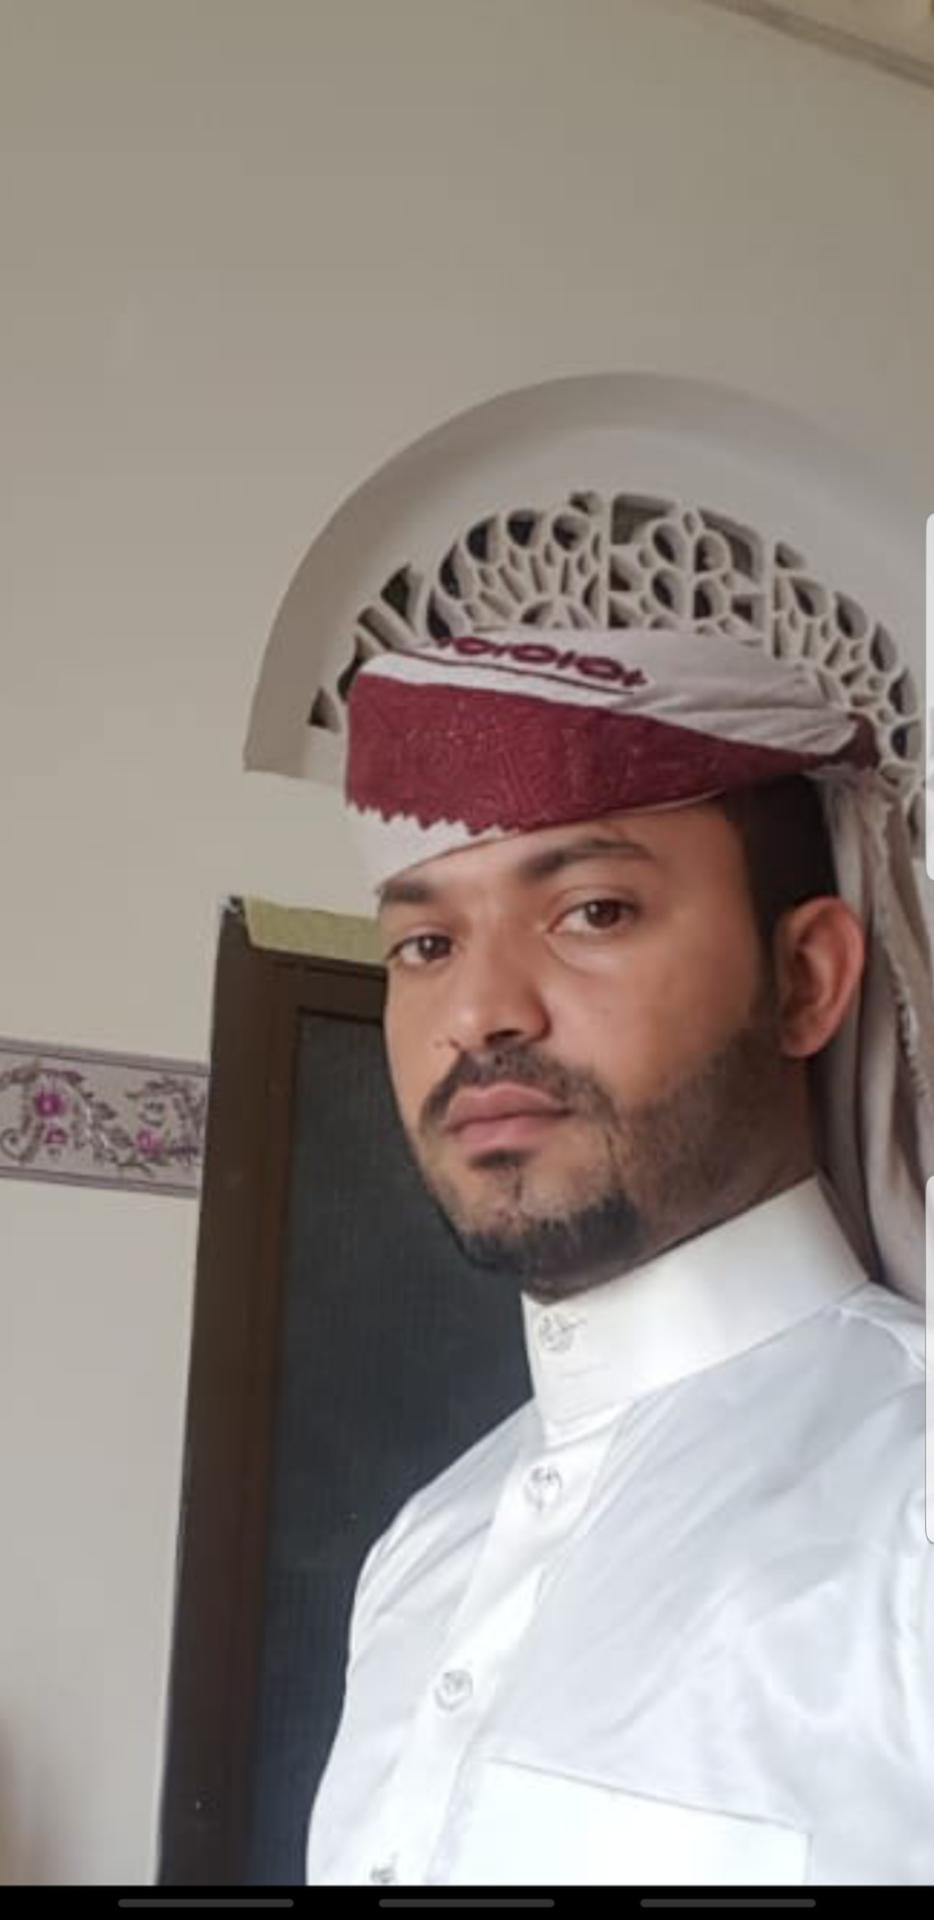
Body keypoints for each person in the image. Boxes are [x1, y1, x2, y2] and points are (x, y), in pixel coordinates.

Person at [304, 626, 934, 1888]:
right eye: (424, 946)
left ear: (805, 978)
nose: (478, 1013)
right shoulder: (422, 1553)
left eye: (591, 912)